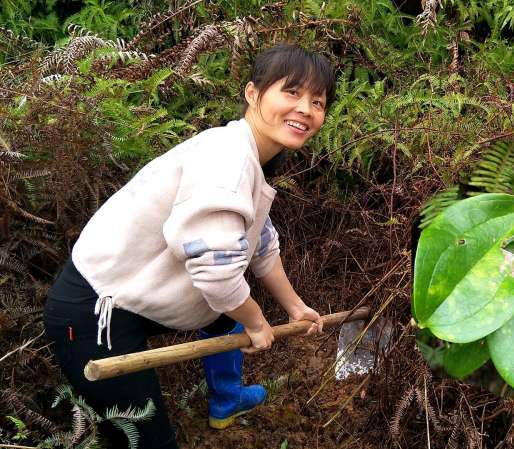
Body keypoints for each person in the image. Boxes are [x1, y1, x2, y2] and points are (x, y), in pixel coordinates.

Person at [43, 44, 336, 449]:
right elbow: (217, 277)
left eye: (317, 102)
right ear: (253, 93)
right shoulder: (226, 160)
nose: (305, 108)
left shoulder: (252, 156)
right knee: (147, 439)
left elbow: (261, 245)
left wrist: (294, 306)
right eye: (292, 92)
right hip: (97, 312)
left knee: (222, 311)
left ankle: (227, 400)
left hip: (135, 293)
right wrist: (255, 322)